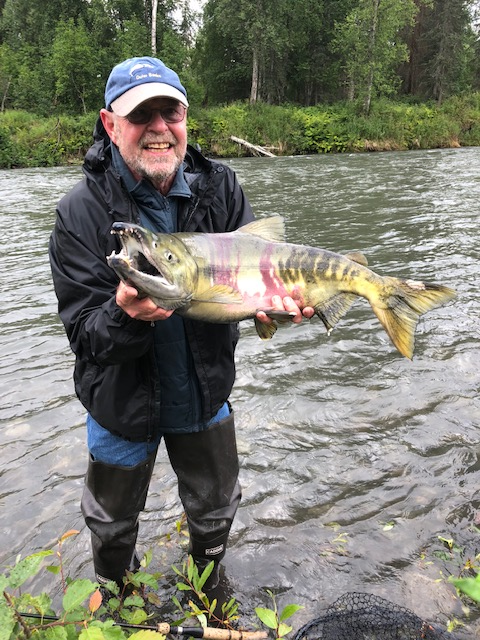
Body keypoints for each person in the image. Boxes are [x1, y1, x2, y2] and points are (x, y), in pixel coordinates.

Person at [49, 56, 312, 592]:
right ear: (110, 124)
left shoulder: (221, 187)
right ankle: (117, 599)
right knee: (111, 526)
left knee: (215, 511)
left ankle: (208, 588)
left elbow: (255, 285)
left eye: (170, 113)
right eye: (141, 115)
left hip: (204, 393)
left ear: (186, 118)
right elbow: (86, 337)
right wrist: (124, 315)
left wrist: (277, 312)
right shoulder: (79, 213)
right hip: (120, 403)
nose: (159, 129)